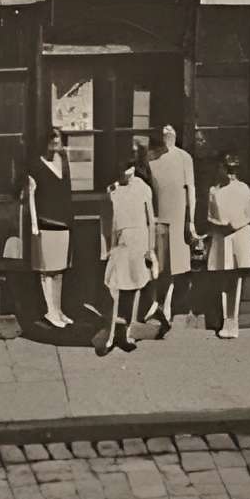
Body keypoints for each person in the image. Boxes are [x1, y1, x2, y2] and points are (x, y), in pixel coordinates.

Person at [98, 152, 156, 355]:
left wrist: (151, 249)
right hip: (120, 244)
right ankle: (111, 335)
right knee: (115, 289)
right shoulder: (113, 190)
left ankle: (128, 332)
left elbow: (151, 220)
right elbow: (107, 222)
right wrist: (106, 249)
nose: (126, 173)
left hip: (139, 241)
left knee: (135, 288)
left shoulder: (144, 188)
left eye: (130, 168)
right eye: (123, 169)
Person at [143, 122, 198, 335]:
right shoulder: (150, 158)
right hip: (158, 214)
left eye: (171, 131)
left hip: (178, 214)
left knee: (174, 263)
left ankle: (166, 304)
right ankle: (153, 303)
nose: (167, 134)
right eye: (163, 131)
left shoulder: (185, 158)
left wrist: (191, 220)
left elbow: (191, 190)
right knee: (158, 260)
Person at [25, 127, 76, 328]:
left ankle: (58, 310)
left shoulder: (64, 162)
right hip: (45, 224)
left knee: (59, 270)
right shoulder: (35, 166)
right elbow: (30, 197)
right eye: (52, 138)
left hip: (63, 223)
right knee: (47, 271)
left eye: (58, 138)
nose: (55, 141)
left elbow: (67, 191)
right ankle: (50, 311)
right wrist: (34, 225)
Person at [204, 150, 250, 338]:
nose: (230, 173)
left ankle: (234, 321)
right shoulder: (214, 191)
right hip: (221, 237)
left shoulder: (244, 188)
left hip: (238, 236)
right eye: (227, 169)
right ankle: (226, 320)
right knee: (223, 279)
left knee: (235, 279)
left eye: (233, 170)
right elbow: (210, 216)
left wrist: (235, 225)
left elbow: (249, 214)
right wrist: (220, 226)